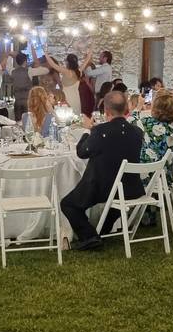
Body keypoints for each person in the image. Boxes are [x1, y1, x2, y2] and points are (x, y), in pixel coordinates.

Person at [60, 91, 145, 251]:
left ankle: (90, 236)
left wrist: (87, 130)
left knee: (68, 204)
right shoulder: (137, 132)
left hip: (103, 188)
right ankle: (102, 231)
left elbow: (82, 152)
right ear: (126, 109)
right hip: (131, 188)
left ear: (106, 111)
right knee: (114, 204)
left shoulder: (100, 131)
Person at [129, 91, 173, 226]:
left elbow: (130, 122)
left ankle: (141, 213)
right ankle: (149, 213)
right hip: (165, 173)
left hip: (146, 173)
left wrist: (138, 107)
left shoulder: (147, 123)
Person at [45, 51, 92, 116]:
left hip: (66, 99)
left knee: (66, 118)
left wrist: (45, 53)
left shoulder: (66, 71)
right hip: (76, 98)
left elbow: (52, 64)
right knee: (76, 119)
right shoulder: (79, 71)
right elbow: (87, 59)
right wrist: (92, 46)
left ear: (67, 62)